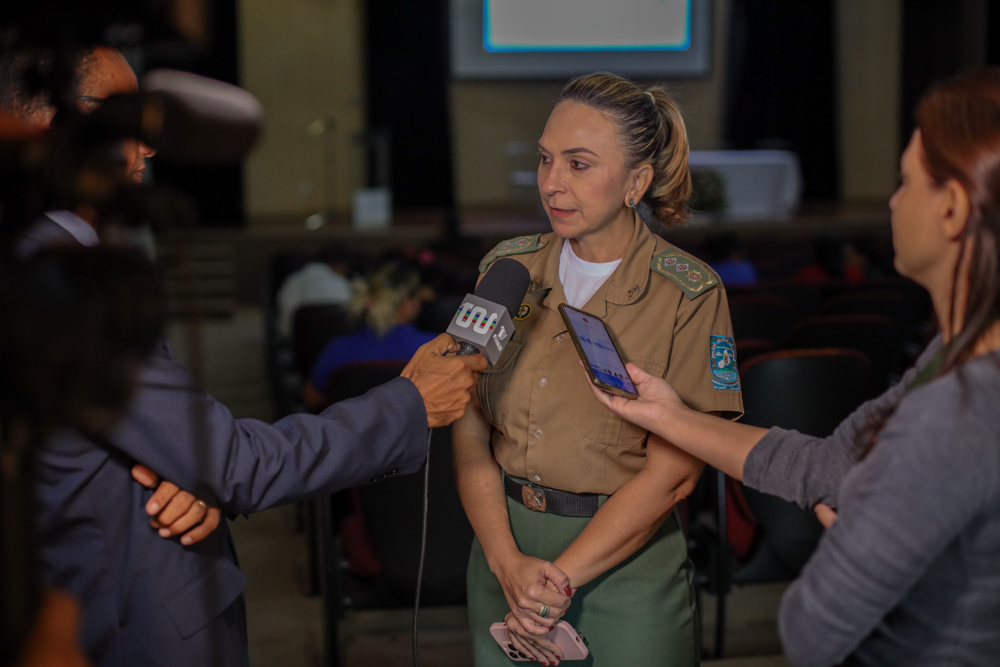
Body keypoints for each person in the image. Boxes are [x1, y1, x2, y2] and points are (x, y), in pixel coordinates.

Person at [2, 46, 489, 667]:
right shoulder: (61, 284)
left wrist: (194, 470)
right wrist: (411, 401)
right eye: (127, 119)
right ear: (51, 126)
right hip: (131, 628)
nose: (148, 147)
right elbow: (236, 464)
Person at [586, 69, 1000, 667]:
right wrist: (672, 417)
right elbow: (826, 466)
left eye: (907, 181)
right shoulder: (952, 362)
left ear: (954, 209)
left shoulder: (950, 414)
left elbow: (811, 628)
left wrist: (858, 526)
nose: (892, 200)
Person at [453, 73, 743, 666]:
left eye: (579, 164)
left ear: (637, 182)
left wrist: (553, 584)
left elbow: (675, 474)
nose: (551, 183)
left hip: (625, 575)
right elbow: (469, 422)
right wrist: (507, 564)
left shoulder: (688, 293)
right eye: (545, 159)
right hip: (503, 558)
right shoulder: (505, 270)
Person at [303, 258, 435, 409]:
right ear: (408, 304)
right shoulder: (436, 349)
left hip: (351, 425)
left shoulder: (336, 349)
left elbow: (311, 399)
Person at [276, 242, 354, 338]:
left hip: (297, 341)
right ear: (342, 266)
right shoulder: (342, 284)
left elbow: (283, 326)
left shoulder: (292, 280)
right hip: (334, 341)